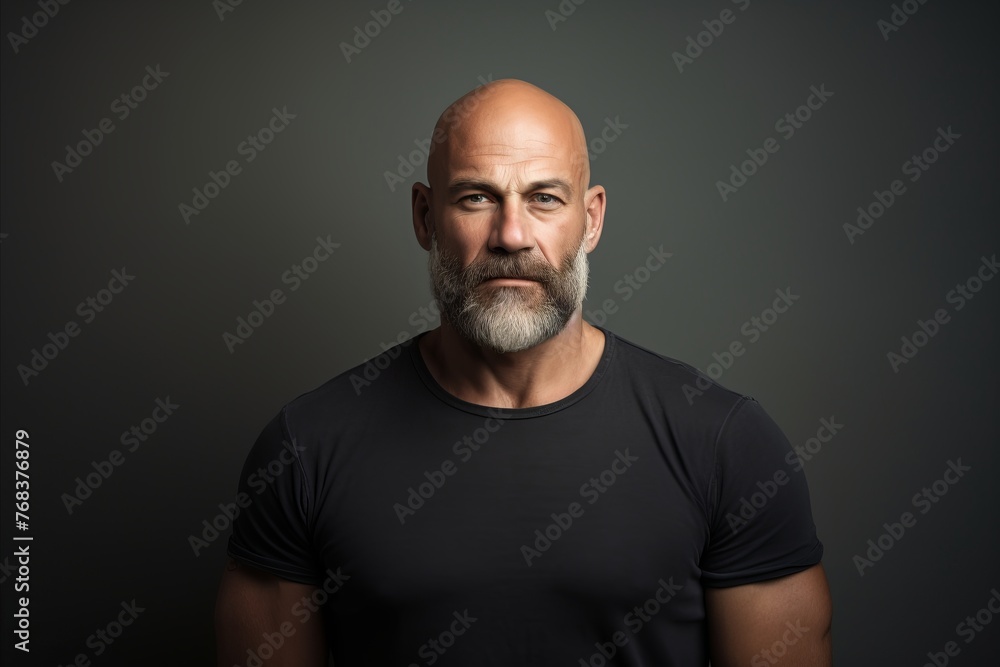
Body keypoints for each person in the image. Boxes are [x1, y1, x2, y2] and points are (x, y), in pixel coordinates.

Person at [215, 78, 832, 666]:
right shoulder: (306, 447)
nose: (511, 235)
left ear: (590, 220)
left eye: (544, 198)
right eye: (476, 197)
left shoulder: (725, 443)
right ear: (425, 218)